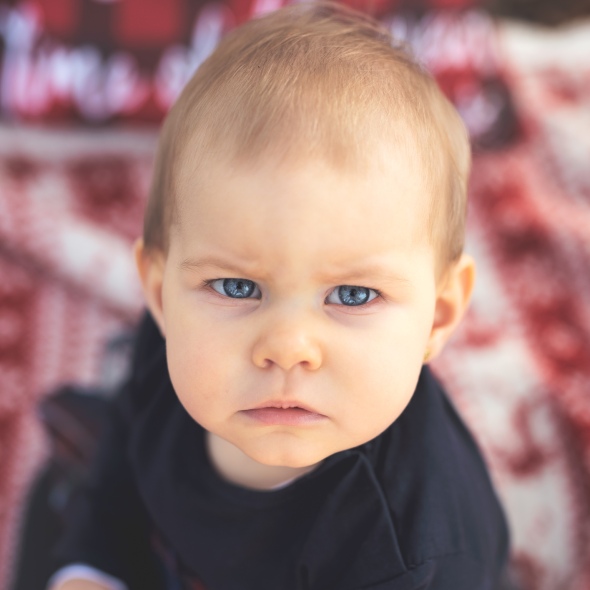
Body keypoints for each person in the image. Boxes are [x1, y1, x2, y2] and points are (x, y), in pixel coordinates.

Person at [46, 3, 510, 589]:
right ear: (161, 296)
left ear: (437, 317)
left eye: (352, 295)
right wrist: (91, 567)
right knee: (58, 503)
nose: (288, 347)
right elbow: (119, 476)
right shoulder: (169, 356)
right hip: (178, 550)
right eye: (238, 287)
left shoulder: (411, 549)